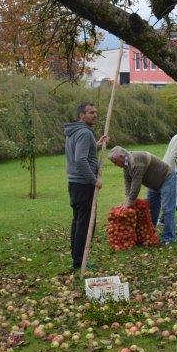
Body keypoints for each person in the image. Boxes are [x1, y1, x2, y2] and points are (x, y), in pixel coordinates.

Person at [64, 103, 109, 270]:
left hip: (74, 183)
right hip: (83, 184)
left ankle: (77, 259)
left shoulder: (75, 131)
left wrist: (97, 144)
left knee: (78, 221)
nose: (95, 115)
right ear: (81, 116)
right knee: (84, 223)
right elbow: (80, 160)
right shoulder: (84, 132)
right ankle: (79, 262)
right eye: (91, 112)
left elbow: (83, 152)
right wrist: (93, 180)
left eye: (96, 112)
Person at [108, 146, 177, 245]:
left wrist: (129, 203)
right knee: (150, 210)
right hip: (153, 184)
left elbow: (136, 185)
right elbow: (128, 182)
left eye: (115, 162)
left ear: (121, 157)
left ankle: (169, 238)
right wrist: (127, 199)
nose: (115, 165)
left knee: (167, 209)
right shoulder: (126, 164)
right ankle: (150, 234)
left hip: (166, 178)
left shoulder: (136, 162)